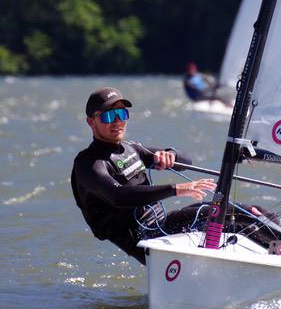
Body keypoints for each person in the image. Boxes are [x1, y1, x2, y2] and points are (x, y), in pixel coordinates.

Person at [71, 87, 218, 265]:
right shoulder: (88, 163)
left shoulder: (132, 149)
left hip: (162, 225)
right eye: (108, 116)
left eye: (122, 114)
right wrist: (176, 189)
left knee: (230, 212)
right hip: (145, 239)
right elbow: (117, 196)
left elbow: (187, 161)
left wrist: (171, 154)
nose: (117, 121)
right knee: (217, 215)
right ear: (91, 122)